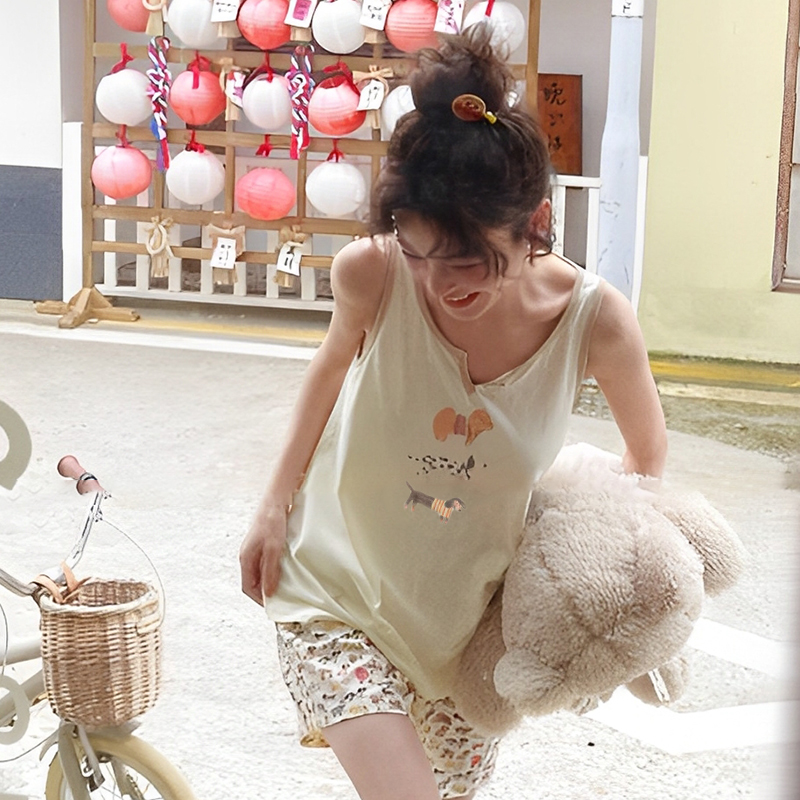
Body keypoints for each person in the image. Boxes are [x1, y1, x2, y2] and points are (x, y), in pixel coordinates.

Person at [239, 26, 667, 800]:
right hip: (337, 589)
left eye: (466, 262)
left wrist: (599, 595)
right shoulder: (373, 275)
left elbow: (646, 464)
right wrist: (273, 506)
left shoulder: (597, 322)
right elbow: (330, 368)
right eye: (419, 252)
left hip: (467, 636)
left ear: (536, 224)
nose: (439, 284)